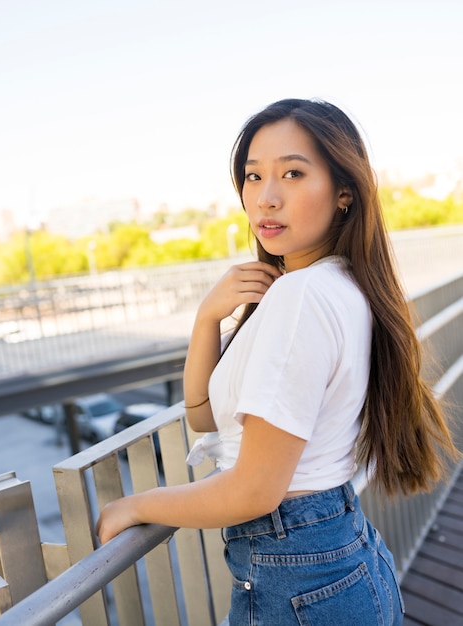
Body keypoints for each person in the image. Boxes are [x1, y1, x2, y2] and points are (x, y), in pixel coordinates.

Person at [96, 98, 459, 625]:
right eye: (252, 176)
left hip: (296, 576)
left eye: (292, 173)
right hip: (334, 560)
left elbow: (254, 489)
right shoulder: (334, 285)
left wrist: (135, 505)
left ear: (343, 192)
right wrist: (207, 320)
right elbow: (203, 417)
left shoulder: (303, 298)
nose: (266, 198)